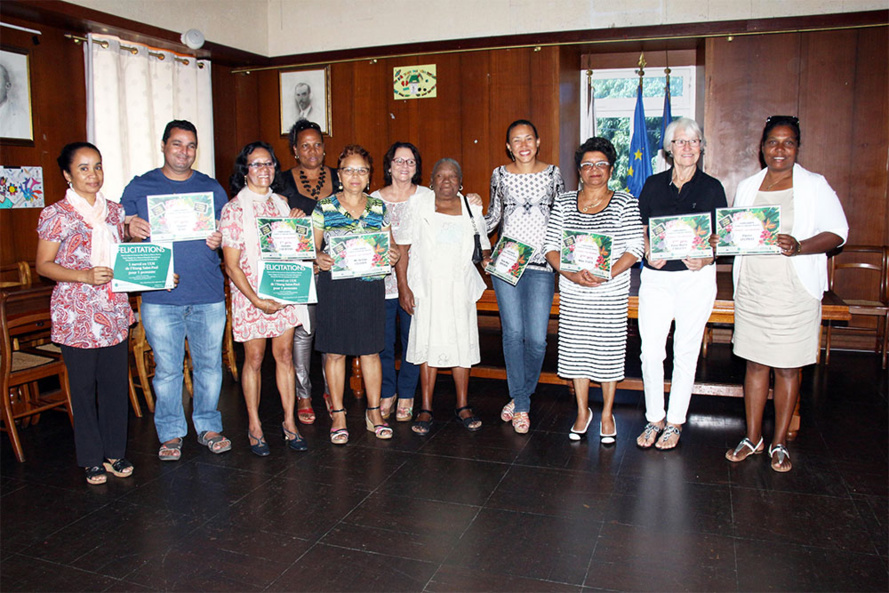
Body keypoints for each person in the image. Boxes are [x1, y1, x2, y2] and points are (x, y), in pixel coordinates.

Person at [725, 115, 847, 472]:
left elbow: (838, 232)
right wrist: (722, 239)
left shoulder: (814, 185)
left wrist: (800, 245)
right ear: (761, 149)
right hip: (753, 287)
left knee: (789, 368)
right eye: (773, 143)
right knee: (755, 363)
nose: (780, 149)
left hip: (795, 290)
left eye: (788, 142)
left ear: (797, 147)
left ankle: (779, 442)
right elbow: (740, 233)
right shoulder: (748, 186)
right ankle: (753, 437)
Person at [122, 120, 231, 461]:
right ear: (163, 145)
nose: (184, 152)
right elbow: (119, 236)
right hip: (159, 297)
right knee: (167, 370)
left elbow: (227, 234)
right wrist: (129, 227)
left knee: (209, 366)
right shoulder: (141, 187)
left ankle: (208, 426)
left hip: (208, 292)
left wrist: (219, 238)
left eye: (191, 145)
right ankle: (170, 433)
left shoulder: (211, 188)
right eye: (177, 144)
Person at [36, 142, 135, 485]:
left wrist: (158, 274)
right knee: (82, 388)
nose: (93, 175)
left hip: (112, 309)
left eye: (97, 166)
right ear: (67, 174)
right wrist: (83, 275)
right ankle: (91, 458)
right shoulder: (56, 214)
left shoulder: (115, 212)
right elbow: (43, 265)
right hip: (75, 313)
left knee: (113, 386)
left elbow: (125, 261)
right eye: (83, 168)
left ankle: (115, 452)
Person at [544, 137, 644, 443]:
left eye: (601, 164)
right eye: (587, 165)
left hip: (609, 292)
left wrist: (607, 274)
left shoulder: (626, 202)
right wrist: (572, 275)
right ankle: (582, 411)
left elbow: (636, 248)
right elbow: (550, 247)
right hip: (574, 292)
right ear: (579, 170)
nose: (594, 170)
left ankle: (606, 413)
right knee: (576, 352)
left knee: (608, 353)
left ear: (611, 168)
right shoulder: (563, 202)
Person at [636, 118, 727, 450]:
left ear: (701, 147)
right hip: (657, 278)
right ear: (668, 149)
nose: (687, 147)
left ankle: (674, 422)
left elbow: (721, 237)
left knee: (685, 351)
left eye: (694, 141)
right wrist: (648, 252)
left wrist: (708, 256)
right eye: (680, 141)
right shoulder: (652, 184)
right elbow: (642, 229)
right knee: (650, 352)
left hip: (695, 279)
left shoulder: (712, 187)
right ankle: (654, 417)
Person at [220, 141, 309, 456]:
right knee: (255, 360)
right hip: (249, 294)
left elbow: (295, 249)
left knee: (284, 356)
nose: (264, 170)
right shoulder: (232, 210)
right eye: (256, 164)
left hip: (282, 290)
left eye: (269, 163)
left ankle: (289, 422)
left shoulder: (283, 204)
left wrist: (298, 223)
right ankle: (255, 425)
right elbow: (231, 265)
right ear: (245, 170)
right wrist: (257, 300)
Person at [312, 145, 398, 445]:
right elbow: (311, 251)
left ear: (369, 176)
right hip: (335, 289)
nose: (355, 176)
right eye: (349, 169)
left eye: (361, 170)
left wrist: (393, 254)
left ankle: (374, 413)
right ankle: (338, 413)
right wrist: (317, 260)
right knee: (334, 352)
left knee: (371, 351)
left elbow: (390, 246)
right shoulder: (323, 207)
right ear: (339, 174)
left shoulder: (378, 207)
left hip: (369, 287)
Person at [484, 119, 564, 434]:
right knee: (512, 333)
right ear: (508, 146)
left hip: (543, 264)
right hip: (506, 263)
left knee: (537, 339)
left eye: (528, 138)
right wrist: (467, 218)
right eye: (516, 140)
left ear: (538, 141)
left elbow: (561, 217)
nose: (523, 145)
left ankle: (519, 397)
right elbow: (493, 217)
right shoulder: (499, 175)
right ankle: (522, 405)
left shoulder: (553, 173)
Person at [401, 158, 492, 435]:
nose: (447, 181)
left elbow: (484, 249)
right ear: (431, 182)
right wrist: (404, 288)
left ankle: (462, 405)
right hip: (426, 288)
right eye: (440, 176)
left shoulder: (471, 206)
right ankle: (426, 407)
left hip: (459, 289)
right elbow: (403, 249)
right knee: (428, 344)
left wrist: (491, 262)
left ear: (461, 182)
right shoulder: (418, 207)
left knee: (461, 345)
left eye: (452, 176)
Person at [276, 119, 339, 425]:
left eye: (317, 144)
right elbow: (273, 224)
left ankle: (331, 391)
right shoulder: (283, 182)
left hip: (338, 268)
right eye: (305, 145)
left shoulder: (340, 179)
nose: (312, 150)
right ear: (295, 150)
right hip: (302, 269)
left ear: (324, 148)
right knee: (304, 332)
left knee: (331, 331)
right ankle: (304, 394)